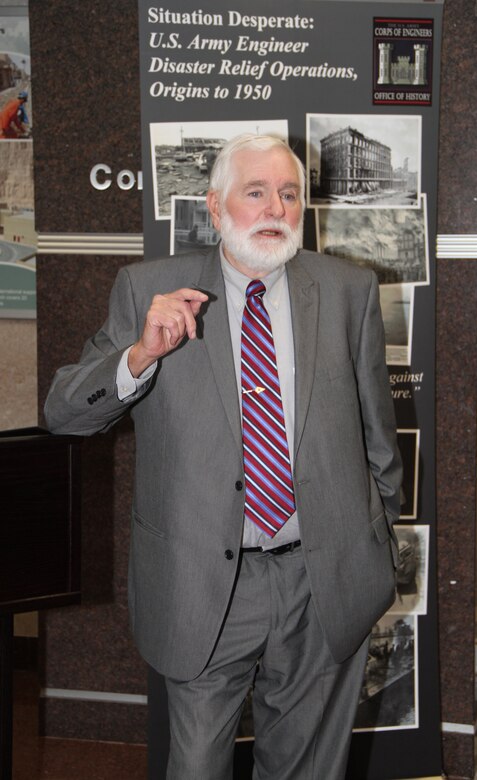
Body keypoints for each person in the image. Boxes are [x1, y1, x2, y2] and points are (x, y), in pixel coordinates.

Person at [44, 133, 402, 779]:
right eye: (256, 192)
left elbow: (378, 432)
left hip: (325, 584)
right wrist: (141, 356)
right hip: (202, 586)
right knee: (196, 768)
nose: (276, 208)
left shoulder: (347, 289)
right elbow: (65, 414)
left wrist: (373, 543)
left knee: (308, 770)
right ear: (214, 208)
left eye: (289, 194)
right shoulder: (148, 289)